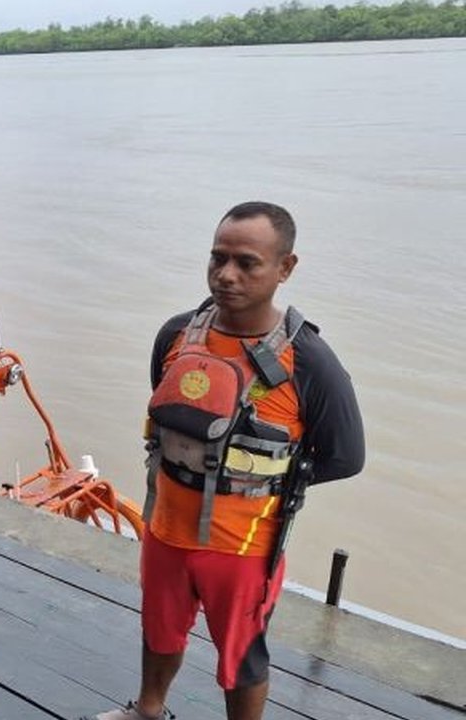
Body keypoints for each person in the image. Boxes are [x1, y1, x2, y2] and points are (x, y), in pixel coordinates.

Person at [84, 202, 365, 720]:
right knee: (159, 626)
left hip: (243, 545)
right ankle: (148, 709)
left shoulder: (309, 361)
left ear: (285, 268)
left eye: (246, 262)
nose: (226, 274)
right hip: (167, 529)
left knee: (241, 654)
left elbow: (346, 456)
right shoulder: (177, 334)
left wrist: (260, 482)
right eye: (217, 258)